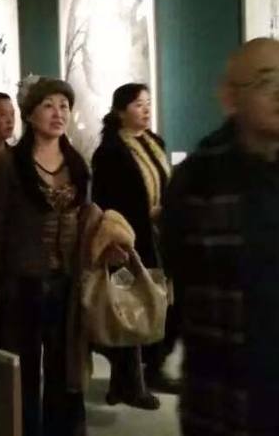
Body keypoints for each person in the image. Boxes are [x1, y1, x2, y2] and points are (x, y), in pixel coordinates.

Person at [164, 37, 279, 436]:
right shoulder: (198, 179)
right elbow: (183, 277)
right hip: (228, 399)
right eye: (267, 80)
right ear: (230, 98)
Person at [0, 76, 98, 436]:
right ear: (30, 115)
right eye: (48, 106)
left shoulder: (77, 164)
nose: (58, 113)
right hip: (23, 281)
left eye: (64, 106)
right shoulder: (11, 164)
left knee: (65, 366)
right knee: (25, 368)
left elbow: (88, 218)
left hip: (67, 281)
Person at [91, 83, 173, 408]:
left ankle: (142, 374)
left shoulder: (154, 143)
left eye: (148, 103)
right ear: (120, 111)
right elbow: (106, 201)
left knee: (155, 304)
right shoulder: (110, 152)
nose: (146, 109)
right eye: (138, 104)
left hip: (157, 239)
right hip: (127, 243)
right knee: (127, 306)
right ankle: (130, 384)